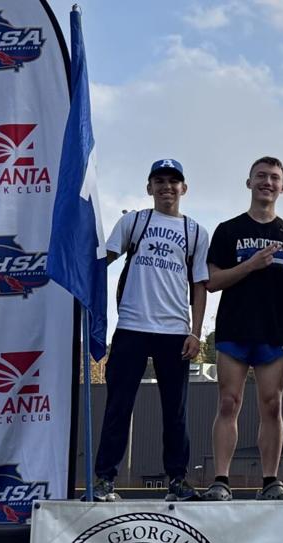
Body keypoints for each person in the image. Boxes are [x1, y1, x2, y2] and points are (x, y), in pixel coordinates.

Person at [91, 158, 209, 502]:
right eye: (159, 181)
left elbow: (200, 284)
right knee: (118, 406)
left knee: (175, 411)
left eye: (173, 182)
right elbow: (103, 259)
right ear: (149, 187)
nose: (166, 187)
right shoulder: (135, 221)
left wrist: (196, 332)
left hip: (174, 331)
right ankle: (104, 479)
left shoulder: (195, 231)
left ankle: (178, 480)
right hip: (132, 326)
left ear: (183, 188)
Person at [202, 156, 283, 501]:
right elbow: (212, 281)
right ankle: (220, 480)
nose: (267, 182)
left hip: (273, 333)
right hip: (234, 330)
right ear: (249, 182)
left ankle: (271, 482)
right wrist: (249, 265)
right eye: (261, 176)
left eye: (274, 177)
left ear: (282, 187)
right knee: (228, 402)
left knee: (272, 405)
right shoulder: (228, 230)